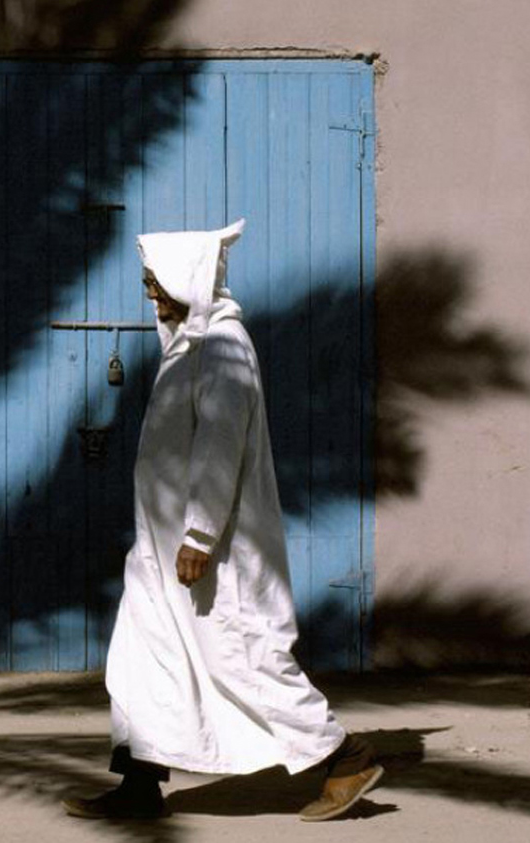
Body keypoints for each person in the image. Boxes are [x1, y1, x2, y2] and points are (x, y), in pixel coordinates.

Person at [63, 220, 382, 822]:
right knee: (142, 659)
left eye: (157, 283)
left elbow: (219, 444)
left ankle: (346, 758)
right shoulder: (190, 344)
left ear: (187, 278)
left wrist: (200, 534)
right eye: (148, 283)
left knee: (245, 658)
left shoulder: (223, 346)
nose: (150, 295)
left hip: (211, 548)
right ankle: (139, 784)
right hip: (158, 548)